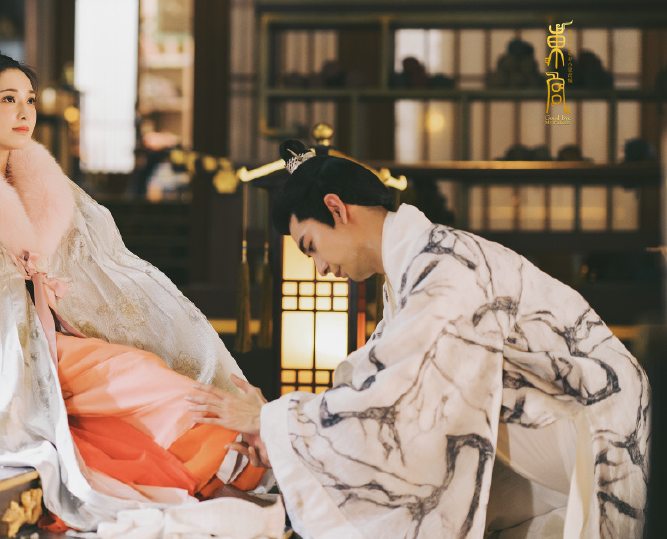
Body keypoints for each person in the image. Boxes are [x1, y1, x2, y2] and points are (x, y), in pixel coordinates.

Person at [0, 24, 266, 532]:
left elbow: (105, 260)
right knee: (142, 375)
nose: (24, 111)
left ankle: (224, 459)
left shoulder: (43, 182)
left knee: (147, 364)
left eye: (28, 98)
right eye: (8, 99)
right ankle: (221, 462)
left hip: (52, 335)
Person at [189, 141, 650, 539]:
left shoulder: (446, 264)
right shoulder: (416, 265)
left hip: (597, 424)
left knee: (418, 437)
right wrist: (285, 439)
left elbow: (404, 397)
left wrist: (275, 422)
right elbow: (372, 383)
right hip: (547, 420)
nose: (320, 268)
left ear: (337, 209)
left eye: (311, 245)